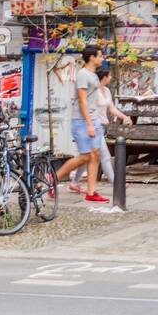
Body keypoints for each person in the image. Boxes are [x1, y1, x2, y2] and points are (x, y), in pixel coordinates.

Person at [55, 46, 108, 203]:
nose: (102, 58)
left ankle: (91, 192)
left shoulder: (93, 75)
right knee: (85, 156)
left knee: (95, 155)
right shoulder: (83, 75)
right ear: (91, 57)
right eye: (100, 56)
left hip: (94, 119)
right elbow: (82, 100)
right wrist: (89, 123)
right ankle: (53, 179)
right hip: (82, 121)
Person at [69, 65, 130, 190]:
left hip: (101, 126)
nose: (111, 77)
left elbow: (111, 109)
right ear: (104, 77)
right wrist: (89, 124)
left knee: (86, 157)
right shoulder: (93, 91)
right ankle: (117, 185)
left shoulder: (106, 91)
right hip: (92, 126)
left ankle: (74, 182)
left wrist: (124, 117)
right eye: (109, 75)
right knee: (105, 156)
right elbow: (84, 105)